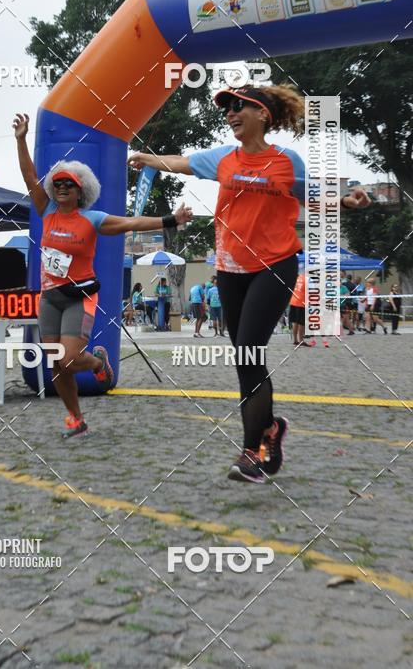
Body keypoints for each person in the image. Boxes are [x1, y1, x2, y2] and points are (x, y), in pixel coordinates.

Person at [129, 84, 370, 482]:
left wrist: (346, 201)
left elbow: (313, 195)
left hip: (274, 265)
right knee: (245, 360)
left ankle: (253, 451)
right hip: (229, 268)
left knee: (248, 352)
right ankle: (270, 430)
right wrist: (147, 158)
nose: (231, 114)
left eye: (240, 107)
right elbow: (183, 162)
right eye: (228, 109)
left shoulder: (285, 161)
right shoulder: (223, 158)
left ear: (263, 115)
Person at [14, 113, 192, 439]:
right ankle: (75, 419)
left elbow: (131, 224)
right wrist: (21, 139)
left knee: (68, 359)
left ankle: (97, 363)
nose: (63, 187)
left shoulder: (93, 218)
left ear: (80, 192)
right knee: (56, 365)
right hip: (50, 298)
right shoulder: (48, 211)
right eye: (59, 183)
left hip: (79, 297)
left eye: (70, 184)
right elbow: (29, 175)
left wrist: (171, 219)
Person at [289, 272, 307, 346]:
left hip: (293, 301)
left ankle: (295, 340)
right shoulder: (307, 279)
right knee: (301, 323)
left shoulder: (297, 278)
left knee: (295, 322)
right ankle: (301, 340)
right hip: (301, 302)